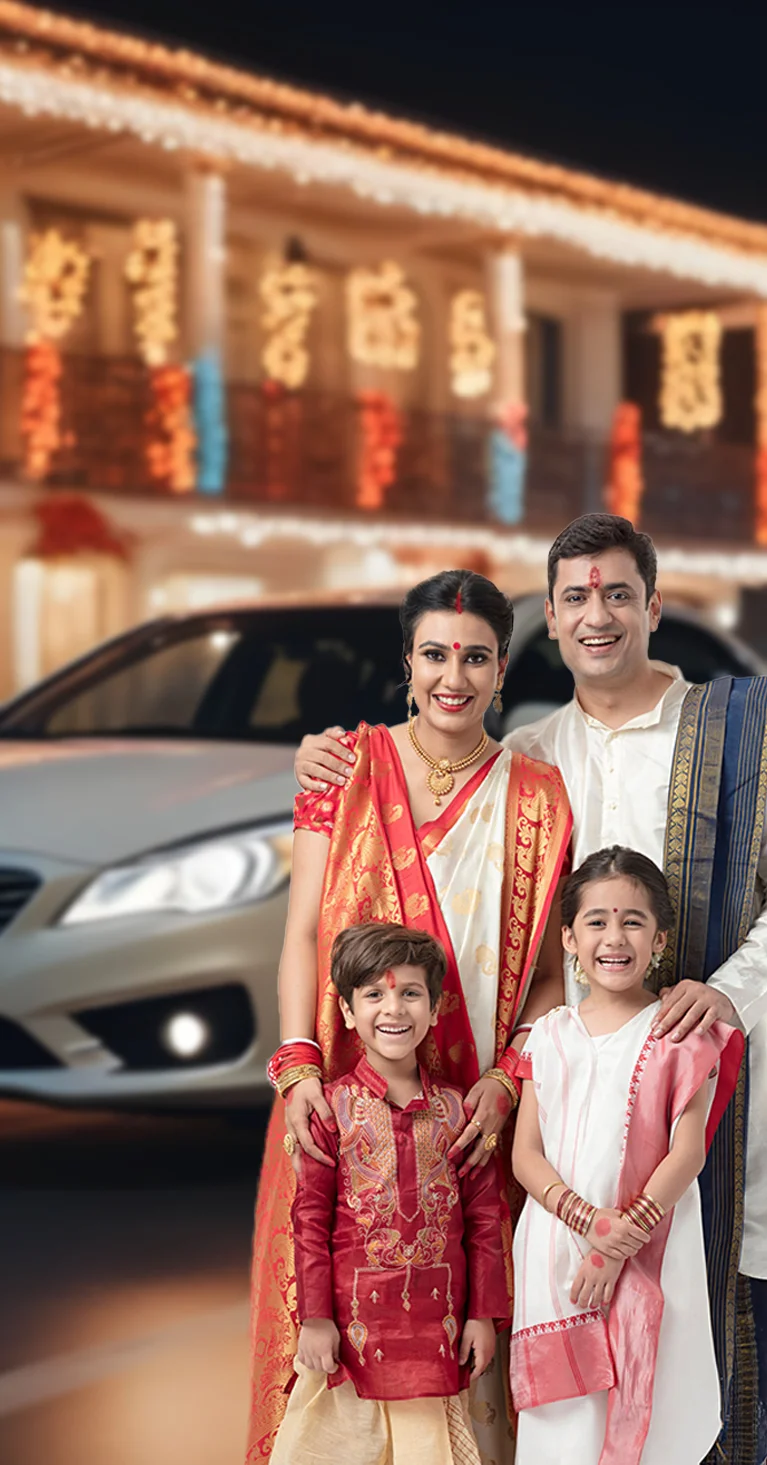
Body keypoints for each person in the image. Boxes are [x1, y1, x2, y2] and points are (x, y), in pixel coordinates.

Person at [295, 513, 767, 1465]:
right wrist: (319, 761)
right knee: (566, 1345)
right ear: (548, 619)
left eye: (618, 593)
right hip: (567, 1092)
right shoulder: (529, 759)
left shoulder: (740, 732)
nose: (598, 615)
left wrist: (728, 994)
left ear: (654, 607)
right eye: (575, 598)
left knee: (710, 1305)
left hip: (716, 1069)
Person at [248, 568, 572, 1462]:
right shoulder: (343, 769)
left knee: (462, 1343)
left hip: (468, 1115)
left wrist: (505, 1081)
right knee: (330, 1341)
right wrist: (298, 1067)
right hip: (339, 1091)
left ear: (501, 669)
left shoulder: (536, 795)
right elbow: (302, 935)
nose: (452, 677)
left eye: (475, 658)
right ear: (406, 662)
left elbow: (550, 974)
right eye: (434, 654)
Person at [511, 846, 741, 1465]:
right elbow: (526, 1156)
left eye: (633, 922)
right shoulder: (548, 1035)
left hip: (650, 1250)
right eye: (596, 922)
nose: (614, 938)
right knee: (564, 1428)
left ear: (659, 940)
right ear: (569, 938)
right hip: (556, 1253)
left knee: (649, 1406)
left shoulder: (680, 1034)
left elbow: (686, 1154)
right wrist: (589, 1224)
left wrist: (616, 1245)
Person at [270, 922, 509, 1465]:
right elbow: (308, 1221)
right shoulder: (329, 1110)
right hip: (347, 1333)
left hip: (437, 1331)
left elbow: (483, 1223)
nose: (394, 1009)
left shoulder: (460, 1113)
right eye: (374, 994)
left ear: (435, 1008)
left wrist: (482, 1315)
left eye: (410, 994)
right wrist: (315, 1319)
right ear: (348, 1011)